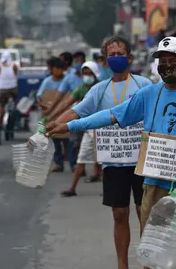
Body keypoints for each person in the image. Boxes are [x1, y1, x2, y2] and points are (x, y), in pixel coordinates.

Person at [45, 36, 176, 269]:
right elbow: (111, 115)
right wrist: (68, 125)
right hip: (155, 186)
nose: (167, 65)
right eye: (162, 60)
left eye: (173, 60)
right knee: (153, 255)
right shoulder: (148, 95)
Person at [45, 36, 151, 269]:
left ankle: (147, 264)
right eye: (111, 55)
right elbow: (76, 112)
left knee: (145, 214)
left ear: (130, 57)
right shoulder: (99, 90)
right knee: (119, 214)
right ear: (104, 61)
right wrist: (50, 126)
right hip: (113, 162)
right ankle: (122, 264)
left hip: (144, 162)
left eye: (119, 53)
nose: (115, 58)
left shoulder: (144, 85)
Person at [45, 61, 102, 194]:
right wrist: (52, 117)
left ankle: (107, 188)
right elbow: (67, 105)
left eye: (90, 73)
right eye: (85, 74)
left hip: (102, 127)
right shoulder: (81, 88)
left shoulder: (102, 87)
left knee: (105, 160)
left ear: (95, 74)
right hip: (86, 127)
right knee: (81, 156)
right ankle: (73, 188)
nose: (87, 76)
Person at [36, 57, 76, 172]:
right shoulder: (47, 81)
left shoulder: (68, 80)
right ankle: (58, 163)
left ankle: (73, 164)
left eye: (60, 68)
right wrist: (42, 104)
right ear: (52, 69)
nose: (58, 71)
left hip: (66, 113)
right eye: (56, 68)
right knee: (55, 140)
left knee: (69, 140)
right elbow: (39, 96)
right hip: (51, 115)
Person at [0, 51, 18, 128]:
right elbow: (16, 75)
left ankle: (1, 123)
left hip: (2, 89)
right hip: (13, 89)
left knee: (2, 107)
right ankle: (15, 122)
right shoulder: (14, 65)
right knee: (15, 105)